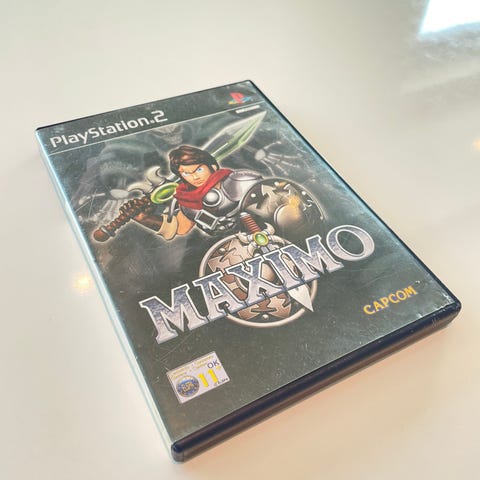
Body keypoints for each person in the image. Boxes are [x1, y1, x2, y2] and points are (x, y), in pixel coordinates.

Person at [126, 145, 261, 240]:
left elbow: (271, 197)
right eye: (186, 173)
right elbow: (179, 228)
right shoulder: (187, 201)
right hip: (232, 245)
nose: (194, 177)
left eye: (199, 170)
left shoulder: (239, 181)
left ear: (212, 167)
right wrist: (145, 219)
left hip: (263, 231)